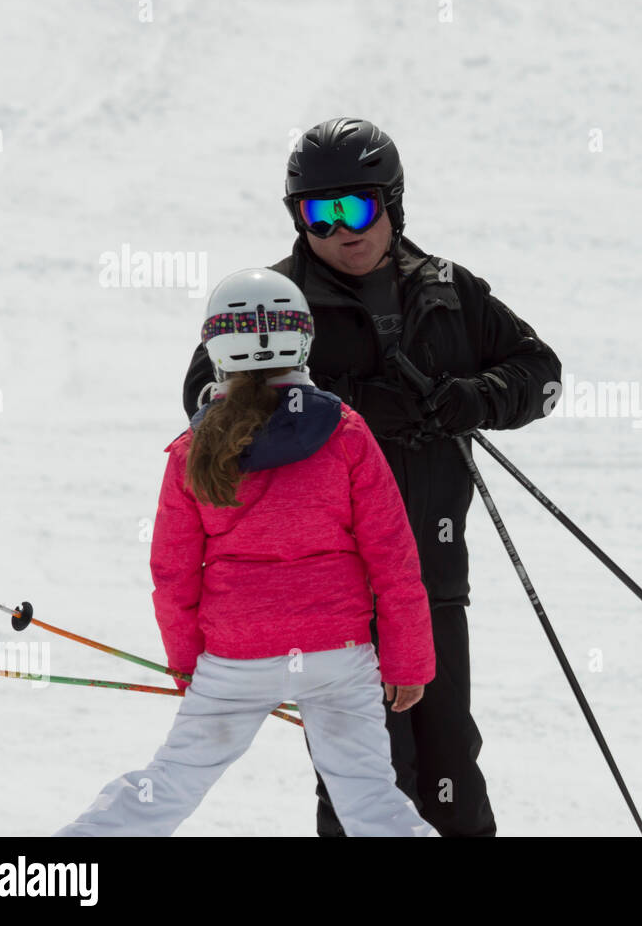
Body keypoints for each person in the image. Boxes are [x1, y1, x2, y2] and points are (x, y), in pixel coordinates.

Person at [181, 117, 562, 837]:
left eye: (357, 207)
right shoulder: (271, 303)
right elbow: (205, 410)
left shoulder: (449, 292)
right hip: (331, 595)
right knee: (366, 778)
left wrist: (475, 397)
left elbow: (541, 374)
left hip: (431, 575)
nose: (339, 230)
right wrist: (332, 410)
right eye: (317, 214)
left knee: (452, 765)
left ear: (392, 203)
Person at [57, 268, 435, 837]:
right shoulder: (346, 433)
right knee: (369, 799)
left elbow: (172, 573)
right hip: (337, 653)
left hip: (238, 657)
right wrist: (409, 661)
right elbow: (393, 557)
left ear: (215, 348)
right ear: (303, 340)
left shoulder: (192, 448)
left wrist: (188, 661)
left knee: (171, 783)